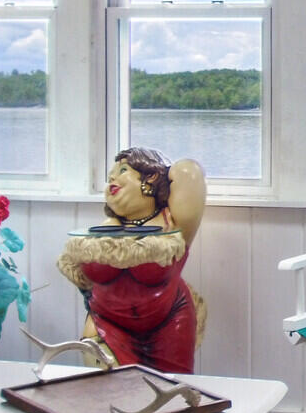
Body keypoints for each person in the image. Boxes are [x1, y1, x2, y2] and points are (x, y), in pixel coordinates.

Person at [56, 147, 207, 373]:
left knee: (171, 395)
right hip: (107, 324)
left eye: (123, 170)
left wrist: (162, 174)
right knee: (112, 391)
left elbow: (188, 173)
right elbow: (78, 275)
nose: (112, 179)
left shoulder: (173, 224)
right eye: (109, 178)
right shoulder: (98, 234)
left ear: (151, 177)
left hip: (167, 324)